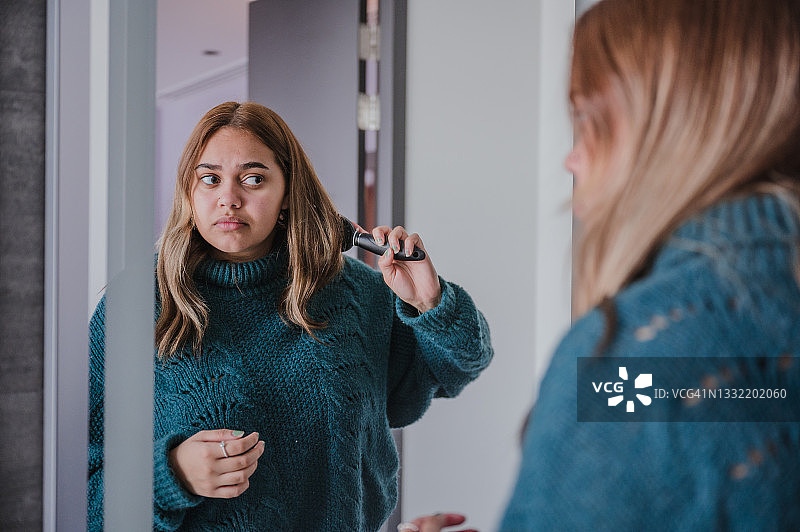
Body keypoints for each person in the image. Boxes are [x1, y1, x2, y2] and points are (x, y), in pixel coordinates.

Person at [417, 0, 800, 530]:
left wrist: (433, 306)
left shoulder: (627, 366)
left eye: (586, 121)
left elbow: (456, 364)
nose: (570, 159)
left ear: (672, 130)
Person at [86, 101, 493, 531]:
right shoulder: (136, 307)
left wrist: (431, 301)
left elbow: (459, 367)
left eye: (254, 178)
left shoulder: (358, 293)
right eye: (210, 179)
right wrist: (173, 476)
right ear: (189, 193)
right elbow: (87, 497)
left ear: (286, 195)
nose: (229, 198)